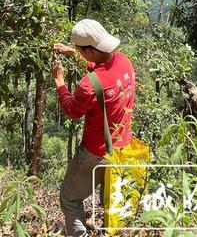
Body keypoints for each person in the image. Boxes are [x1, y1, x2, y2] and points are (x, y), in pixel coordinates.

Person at [52, 19, 136, 237]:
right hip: (122, 147)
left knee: (70, 199)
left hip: (95, 152)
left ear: (89, 51)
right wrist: (73, 51)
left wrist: (59, 82)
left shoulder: (87, 85)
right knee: (112, 201)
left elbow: (72, 110)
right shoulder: (124, 61)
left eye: (81, 51)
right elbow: (103, 71)